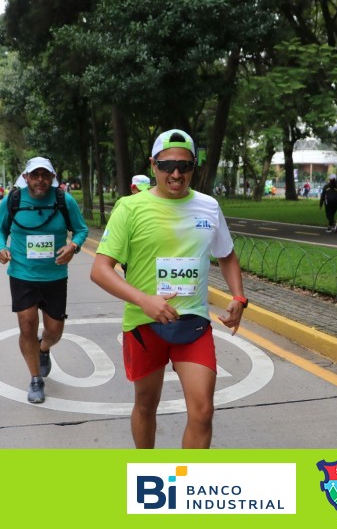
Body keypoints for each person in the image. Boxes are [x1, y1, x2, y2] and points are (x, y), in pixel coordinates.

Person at [90, 128, 247, 449]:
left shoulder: (208, 206)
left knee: (203, 412)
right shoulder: (129, 208)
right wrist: (144, 300)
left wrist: (238, 296)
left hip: (193, 324)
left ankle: (186, 478)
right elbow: (100, 270)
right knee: (146, 406)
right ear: (153, 165)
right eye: (167, 166)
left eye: (184, 166)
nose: (176, 174)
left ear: (194, 167)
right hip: (145, 325)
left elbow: (227, 254)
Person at [0, 157, 88, 404]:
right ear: (26, 178)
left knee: (54, 331)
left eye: (45, 175)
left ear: (52, 177)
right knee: (27, 325)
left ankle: (43, 348)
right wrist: (2, 247)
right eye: (35, 175)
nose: (40, 180)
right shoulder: (13, 200)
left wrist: (73, 247)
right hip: (22, 274)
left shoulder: (63, 199)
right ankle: (35, 378)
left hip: (55, 276)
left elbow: (81, 229)